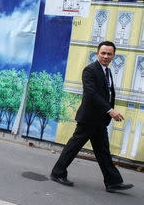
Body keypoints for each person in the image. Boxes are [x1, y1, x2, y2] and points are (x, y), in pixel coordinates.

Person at [50, 41, 133, 193]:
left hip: (99, 120)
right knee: (73, 147)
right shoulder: (90, 70)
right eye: (103, 53)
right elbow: (91, 94)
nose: (106, 56)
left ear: (113, 55)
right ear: (97, 53)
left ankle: (113, 181)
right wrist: (110, 110)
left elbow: (107, 94)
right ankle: (57, 172)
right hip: (88, 119)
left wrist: (107, 112)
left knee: (103, 151)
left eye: (109, 54)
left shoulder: (107, 72)